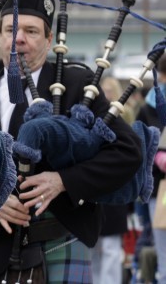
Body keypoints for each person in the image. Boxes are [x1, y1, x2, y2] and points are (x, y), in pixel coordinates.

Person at [0, 0, 142, 283]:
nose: (18, 38)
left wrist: (63, 181)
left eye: (31, 31)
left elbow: (127, 152)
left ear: (49, 41)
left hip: (59, 244)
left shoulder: (76, 87)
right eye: (11, 29)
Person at [90, 76, 131, 284]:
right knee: (93, 249)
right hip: (92, 190)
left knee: (111, 249)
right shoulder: (89, 117)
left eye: (109, 90)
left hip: (115, 190)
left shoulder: (126, 120)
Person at [138, 54, 166, 284]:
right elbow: (139, 146)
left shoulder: (148, 106)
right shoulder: (150, 107)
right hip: (160, 189)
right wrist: (158, 156)